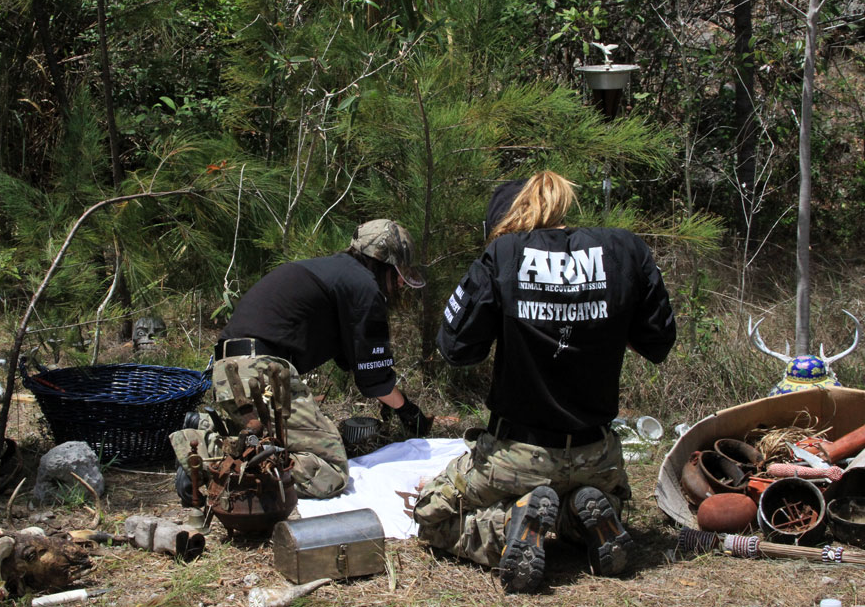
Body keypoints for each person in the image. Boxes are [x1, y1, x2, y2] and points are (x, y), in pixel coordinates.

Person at [413, 171, 676, 592]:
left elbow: (455, 346)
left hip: (517, 455)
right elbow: (659, 338)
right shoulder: (626, 248)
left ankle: (507, 526)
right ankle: (584, 517)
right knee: (596, 502)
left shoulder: (504, 255)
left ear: (506, 220)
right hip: (596, 455)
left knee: (432, 514)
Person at [174, 219, 432, 501]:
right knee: (330, 473)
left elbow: (354, 362)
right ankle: (205, 455)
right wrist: (408, 410)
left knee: (271, 441)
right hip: (262, 373)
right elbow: (374, 380)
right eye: (398, 276)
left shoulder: (333, 272)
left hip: (232, 371)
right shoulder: (364, 287)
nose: (397, 285)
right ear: (385, 264)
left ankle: (212, 428)